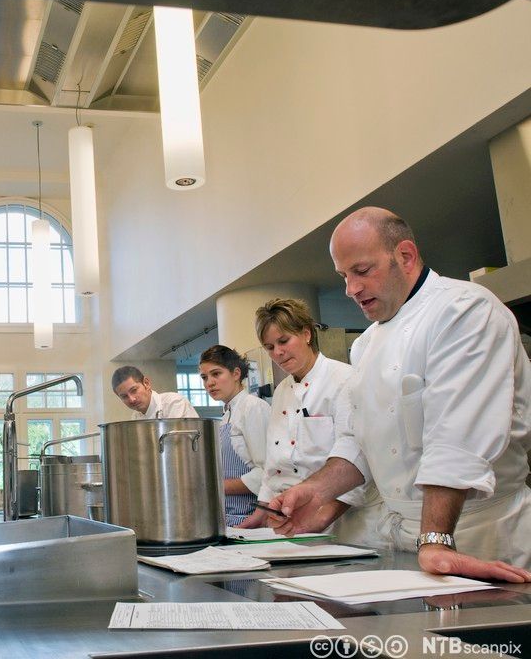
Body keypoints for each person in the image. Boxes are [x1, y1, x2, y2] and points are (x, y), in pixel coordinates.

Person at [269, 207, 531, 582]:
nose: (350, 289)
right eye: (344, 276)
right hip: (412, 541)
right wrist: (314, 490)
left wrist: (437, 538)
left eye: (362, 271)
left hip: (482, 535)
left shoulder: (464, 310)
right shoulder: (365, 345)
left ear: (405, 255)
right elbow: (356, 441)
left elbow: (456, 436)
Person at [241, 299, 376, 538]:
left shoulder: (345, 379)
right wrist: (261, 512)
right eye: (269, 347)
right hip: (289, 519)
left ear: (305, 334)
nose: (278, 352)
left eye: (284, 341)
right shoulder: (282, 390)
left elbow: (358, 456)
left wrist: (323, 516)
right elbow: (274, 462)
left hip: (342, 520)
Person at [198, 345, 271, 526]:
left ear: (236, 373)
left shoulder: (253, 408)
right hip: (230, 519)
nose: (209, 383)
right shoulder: (227, 414)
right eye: (204, 377)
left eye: (216, 374)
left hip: (251, 518)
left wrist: (215, 487)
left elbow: (267, 473)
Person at [111, 366, 198, 419]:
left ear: (146, 383)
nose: (132, 399)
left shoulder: (174, 403)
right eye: (124, 396)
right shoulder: (136, 416)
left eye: (134, 390)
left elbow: (180, 445)